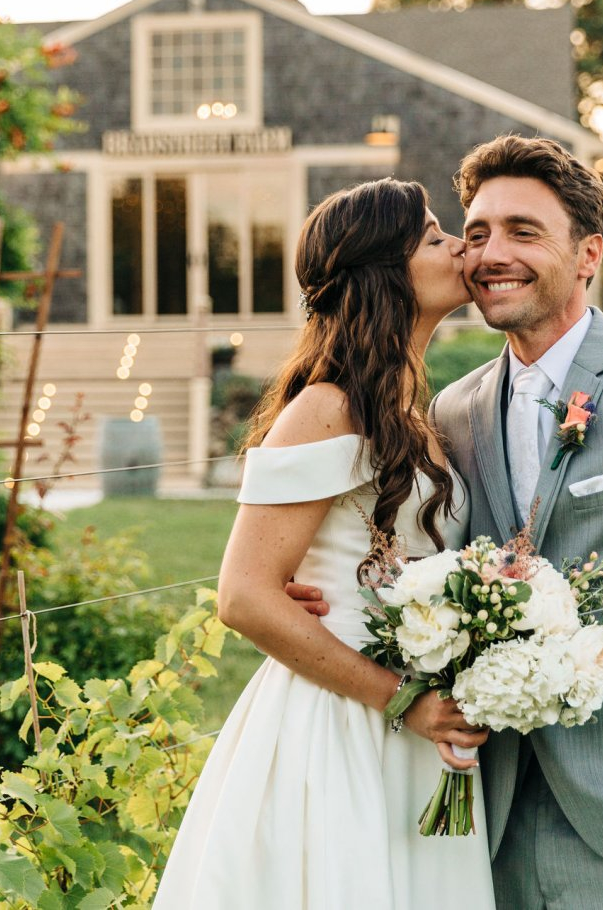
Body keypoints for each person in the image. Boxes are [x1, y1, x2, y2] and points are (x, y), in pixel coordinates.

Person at [287, 135, 603, 908]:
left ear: (588, 254)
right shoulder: (452, 413)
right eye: (477, 232)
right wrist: (321, 594)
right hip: (484, 826)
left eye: (524, 231)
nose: (490, 253)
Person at [153, 178, 495, 909]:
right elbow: (243, 595)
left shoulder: (413, 409)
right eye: (434, 237)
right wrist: (402, 699)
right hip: (343, 719)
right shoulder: (327, 406)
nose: (460, 246)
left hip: (413, 720)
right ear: (383, 273)